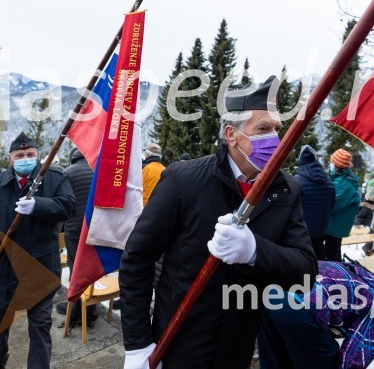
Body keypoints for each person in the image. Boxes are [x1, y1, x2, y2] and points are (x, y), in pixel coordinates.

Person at [119, 76, 317, 369]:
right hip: (179, 343)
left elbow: (305, 272)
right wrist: (137, 344)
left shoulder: (287, 191)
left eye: (277, 129)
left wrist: (256, 251)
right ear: (231, 134)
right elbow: (137, 258)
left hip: (238, 347)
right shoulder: (183, 181)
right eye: (263, 129)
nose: (275, 139)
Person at [0, 132, 75, 369]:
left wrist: (39, 205)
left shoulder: (54, 178)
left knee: (40, 325)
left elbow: (68, 206)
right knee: (0, 323)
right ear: (10, 158)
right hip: (4, 269)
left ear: (38, 156)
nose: (25, 159)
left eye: (30, 154)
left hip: (41, 269)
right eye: (20, 155)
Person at [257, 260, 374, 369]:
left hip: (271, 291)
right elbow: (354, 356)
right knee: (327, 360)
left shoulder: (354, 272)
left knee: (274, 360)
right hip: (301, 306)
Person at [56, 147, 97, 326]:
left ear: (73, 157)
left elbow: (63, 202)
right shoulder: (97, 170)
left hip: (74, 230)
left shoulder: (67, 172)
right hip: (95, 228)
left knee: (76, 269)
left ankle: (74, 312)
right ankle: (91, 308)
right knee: (92, 269)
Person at [294, 145, 334, 260]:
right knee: (319, 252)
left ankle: (309, 272)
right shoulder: (328, 180)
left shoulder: (297, 180)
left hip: (304, 228)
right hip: (322, 227)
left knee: (306, 257)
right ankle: (321, 271)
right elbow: (331, 204)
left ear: (301, 160)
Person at [324, 149, 361, 262]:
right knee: (333, 251)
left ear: (338, 165)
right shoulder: (344, 179)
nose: (330, 164)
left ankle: (336, 271)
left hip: (335, 225)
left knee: (332, 254)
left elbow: (333, 206)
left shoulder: (343, 184)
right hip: (338, 224)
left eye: (332, 163)